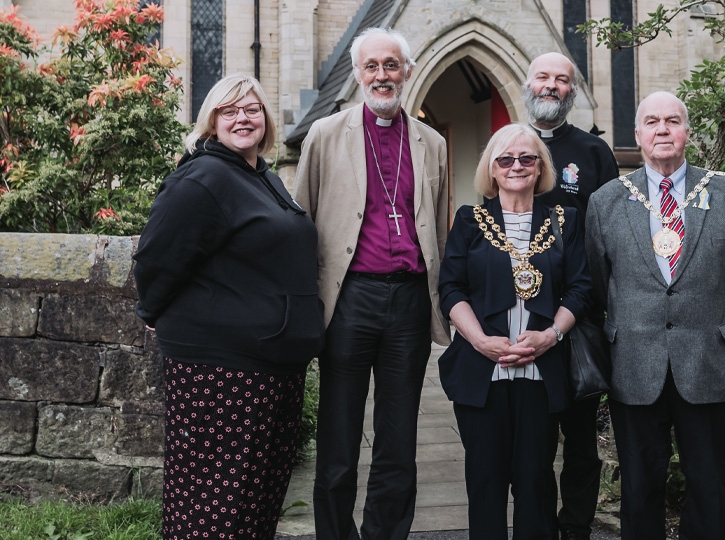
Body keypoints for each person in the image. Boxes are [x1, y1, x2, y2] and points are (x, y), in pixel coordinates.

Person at [133, 74, 326, 539]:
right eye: (230, 110)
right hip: (223, 370)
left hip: (271, 364)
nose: (243, 118)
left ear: (266, 119)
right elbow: (156, 256)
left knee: (257, 500)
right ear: (211, 122)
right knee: (215, 503)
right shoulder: (205, 176)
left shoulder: (263, 176)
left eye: (252, 109)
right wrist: (153, 313)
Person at [291, 27, 451, 540]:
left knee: (399, 440)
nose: (382, 75)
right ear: (358, 74)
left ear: (407, 70)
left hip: (408, 300)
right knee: (338, 437)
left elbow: (441, 230)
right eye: (371, 66)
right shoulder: (325, 134)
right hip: (349, 299)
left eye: (391, 65)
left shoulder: (434, 143)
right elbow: (301, 223)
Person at [584, 91, 725, 540]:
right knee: (639, 487)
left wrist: (706, 314)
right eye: (652, 122)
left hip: (707, 360)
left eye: (672, 121)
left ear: (687, 132)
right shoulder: (606, 202)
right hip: (635, 364)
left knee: (707, 487)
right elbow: (598, 280)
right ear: (638, 134)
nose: (662, 130)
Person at [438, 123, 591, 540]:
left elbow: (580, 288)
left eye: (526, 158)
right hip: (481, 373)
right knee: (485, 484)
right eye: (505, 159)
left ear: (541, 166)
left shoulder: (566, 219)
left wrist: (551, 336)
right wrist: (479, 340)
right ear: (491, 168)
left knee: (536, 483)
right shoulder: (470, 221)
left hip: (541, 374)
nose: (516, 166)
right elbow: (450, 288)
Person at [523, 51, 619, 540]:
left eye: (562, 80)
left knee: (581, 439)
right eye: (543, 77)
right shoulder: (512, 147)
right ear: (527, 83)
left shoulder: (593, 152)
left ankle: (577, 527)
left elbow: (610, 235)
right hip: (524, 317)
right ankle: (537, 525)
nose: (551, 86)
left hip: (580, 316)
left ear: (573, 91)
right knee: (533, 439)